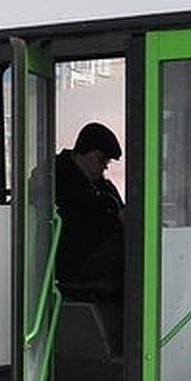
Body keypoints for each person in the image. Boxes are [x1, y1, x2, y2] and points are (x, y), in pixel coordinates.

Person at [54, 122, 125, 296]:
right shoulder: (57, 179)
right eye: (101, 159)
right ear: (84, 151)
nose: (104, 167)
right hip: (74, 262)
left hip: (93, 257)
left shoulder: (102, 187)